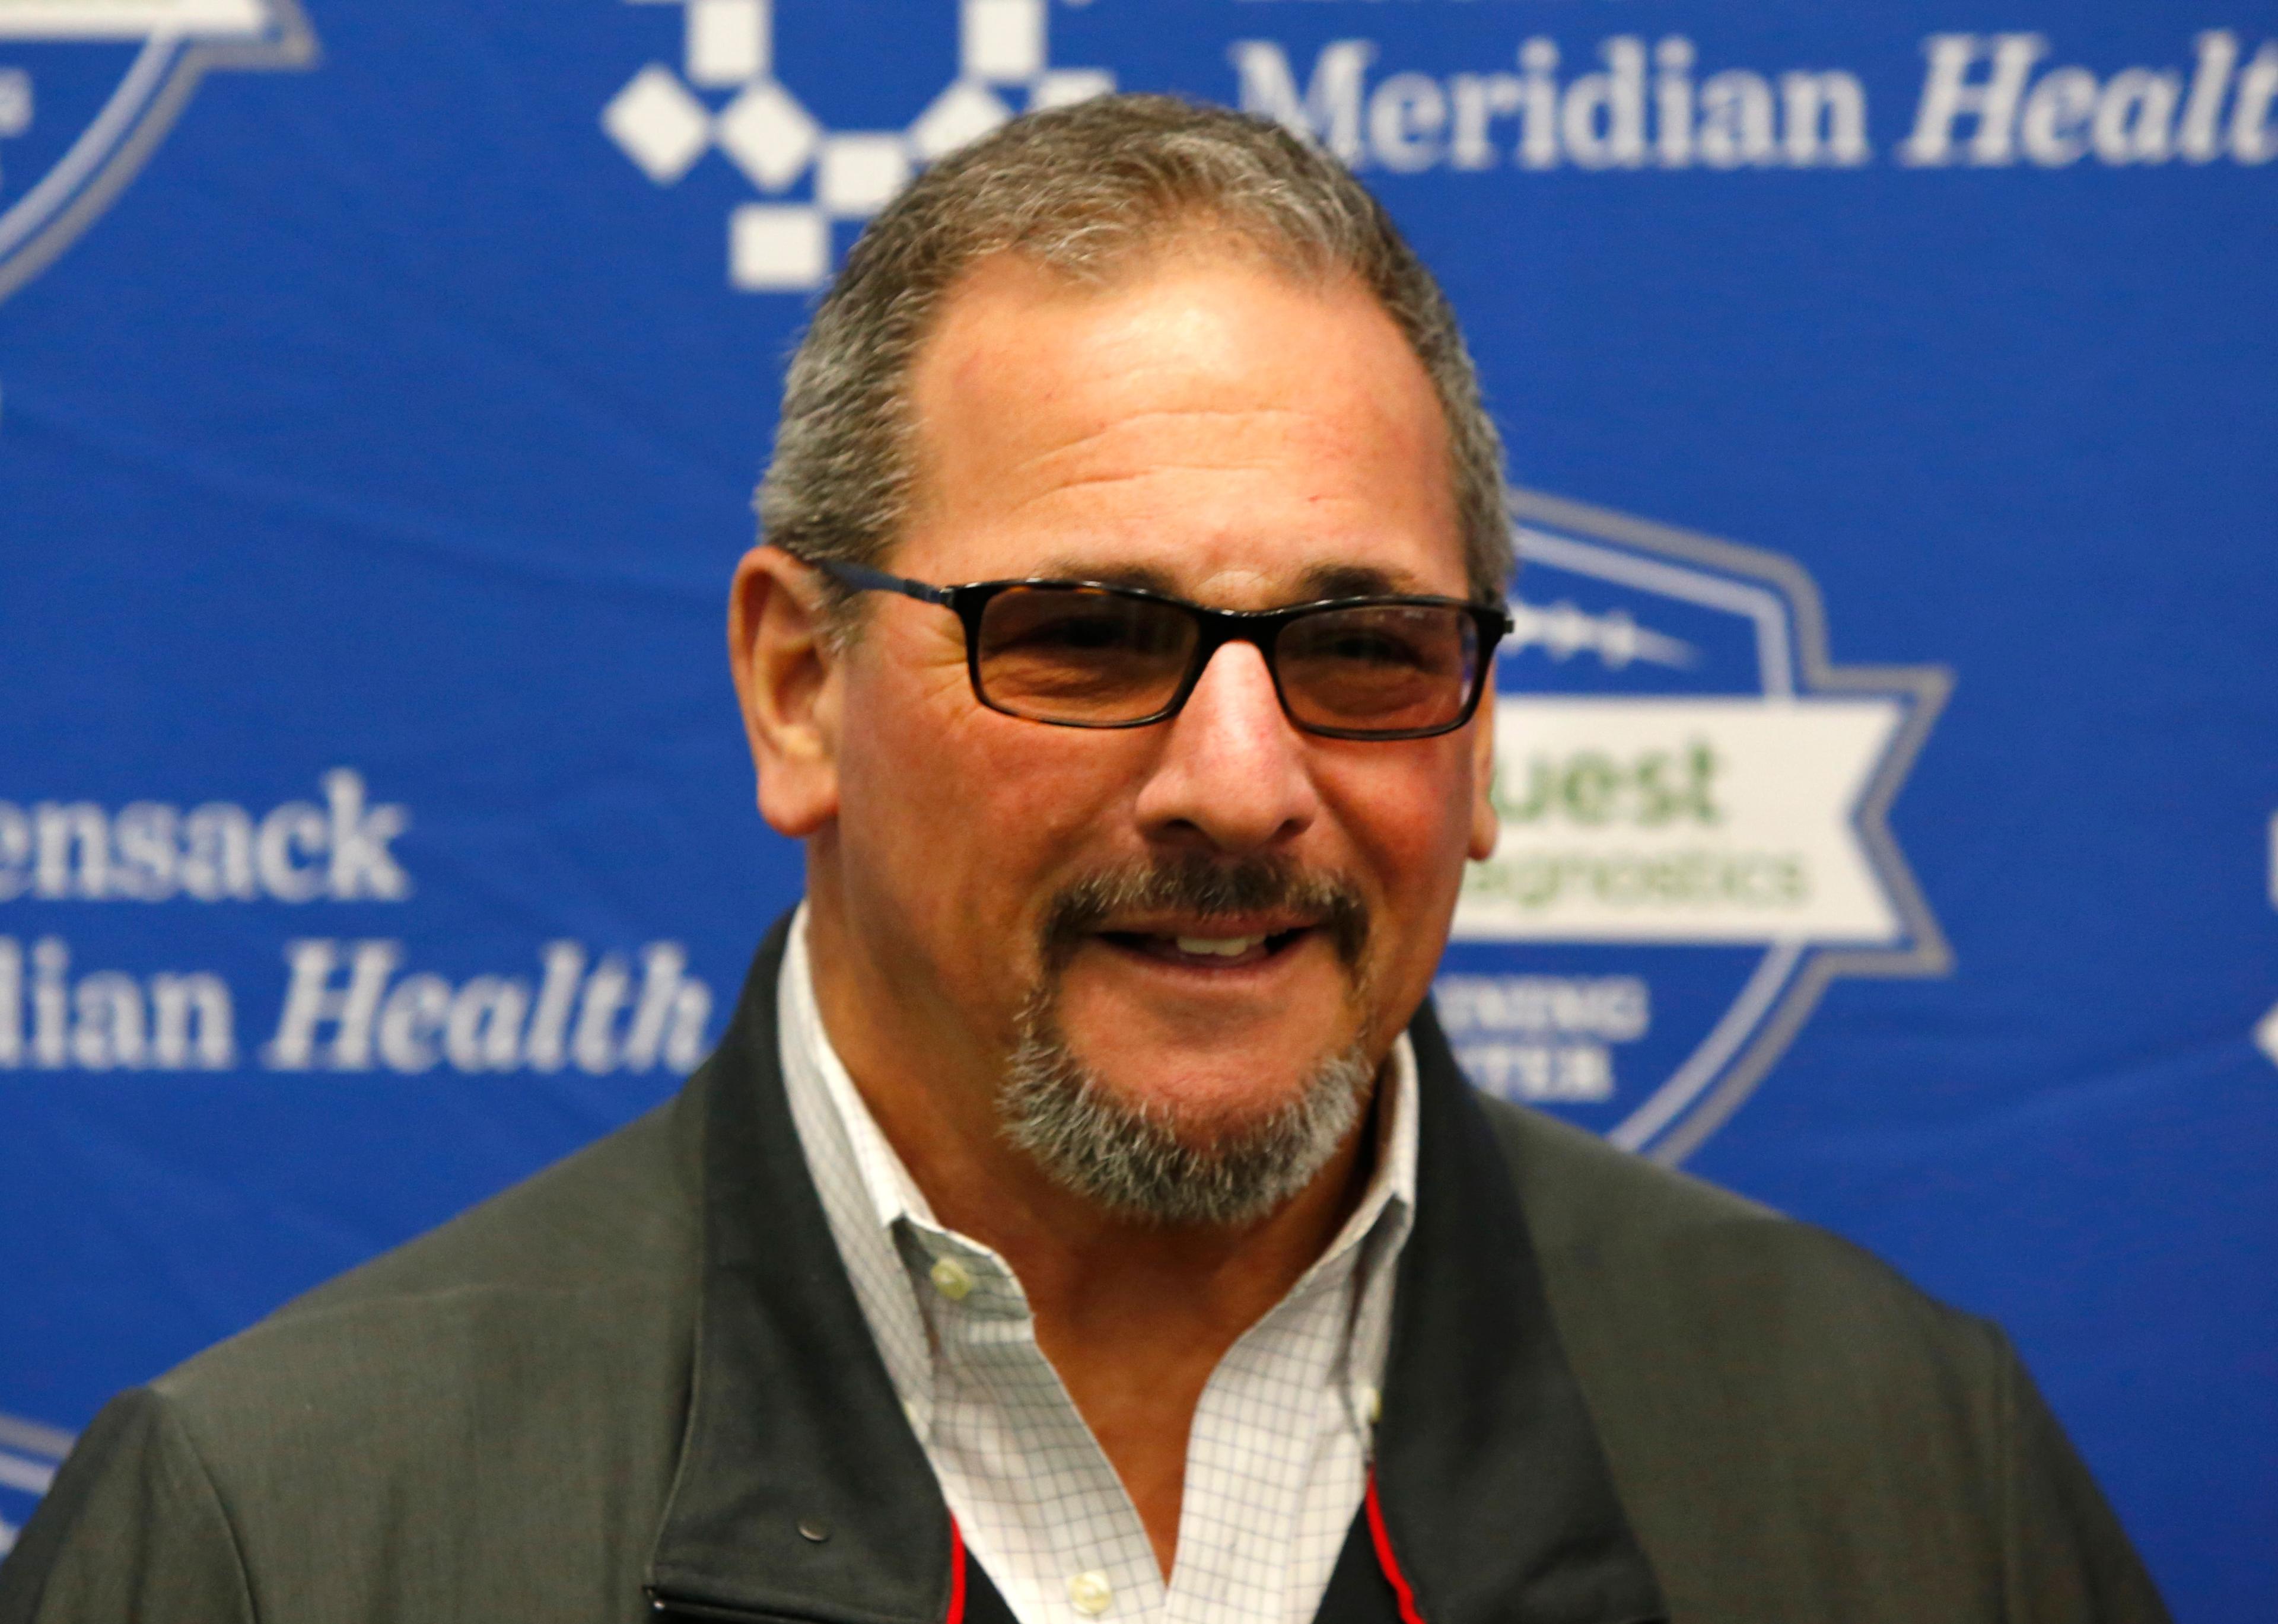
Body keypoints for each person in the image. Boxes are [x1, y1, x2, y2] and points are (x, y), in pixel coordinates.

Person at [0, 95, 2167, 1624]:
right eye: (1091, 634)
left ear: (1480, 727)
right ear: (795, 685)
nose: (1242, 779)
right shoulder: (280, 1537)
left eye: (1362, 645)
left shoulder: (1910, 1475)